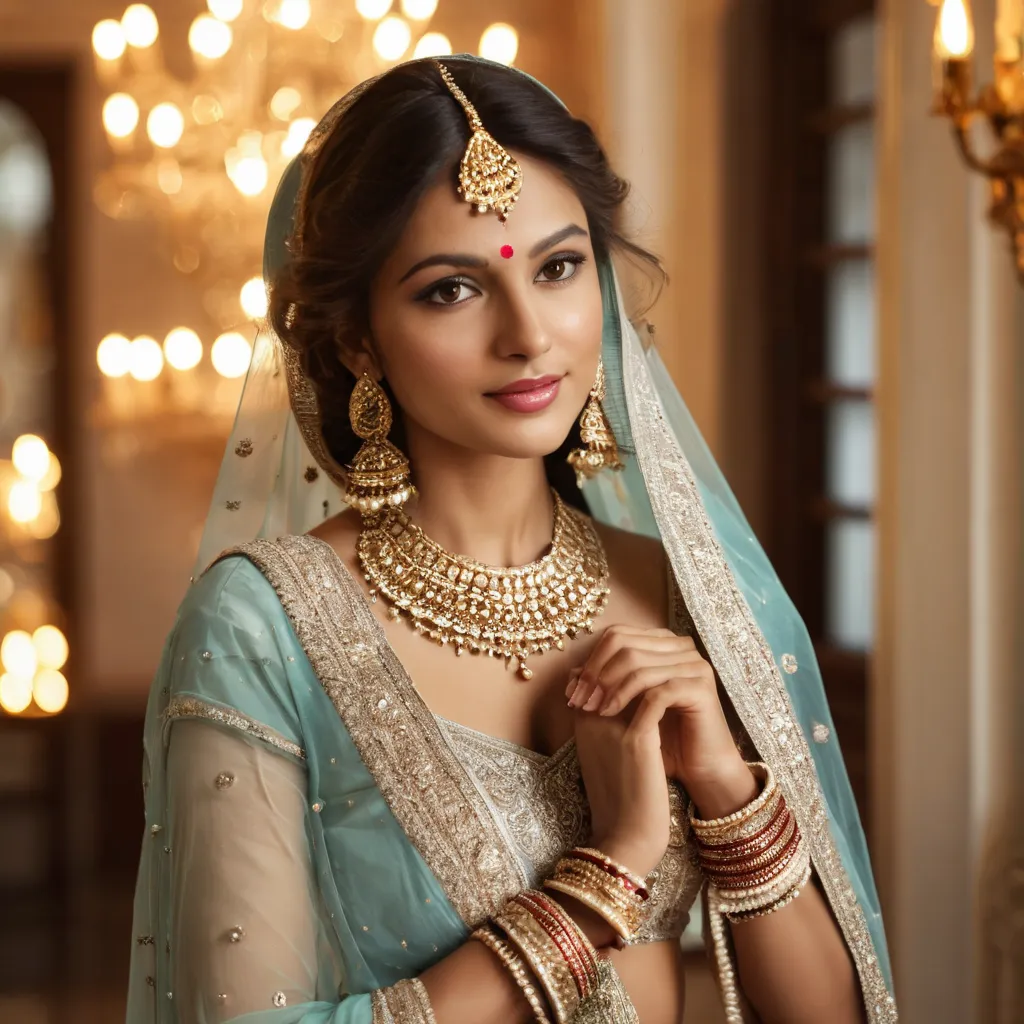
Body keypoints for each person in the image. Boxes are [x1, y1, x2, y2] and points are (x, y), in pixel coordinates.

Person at [126, 55, 897, 1024]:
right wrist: (606, 871)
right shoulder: (260, 623)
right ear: (358, 339)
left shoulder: (683, 592)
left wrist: (723, 786)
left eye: (560, 267)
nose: (529, 333)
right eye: (451, 289)